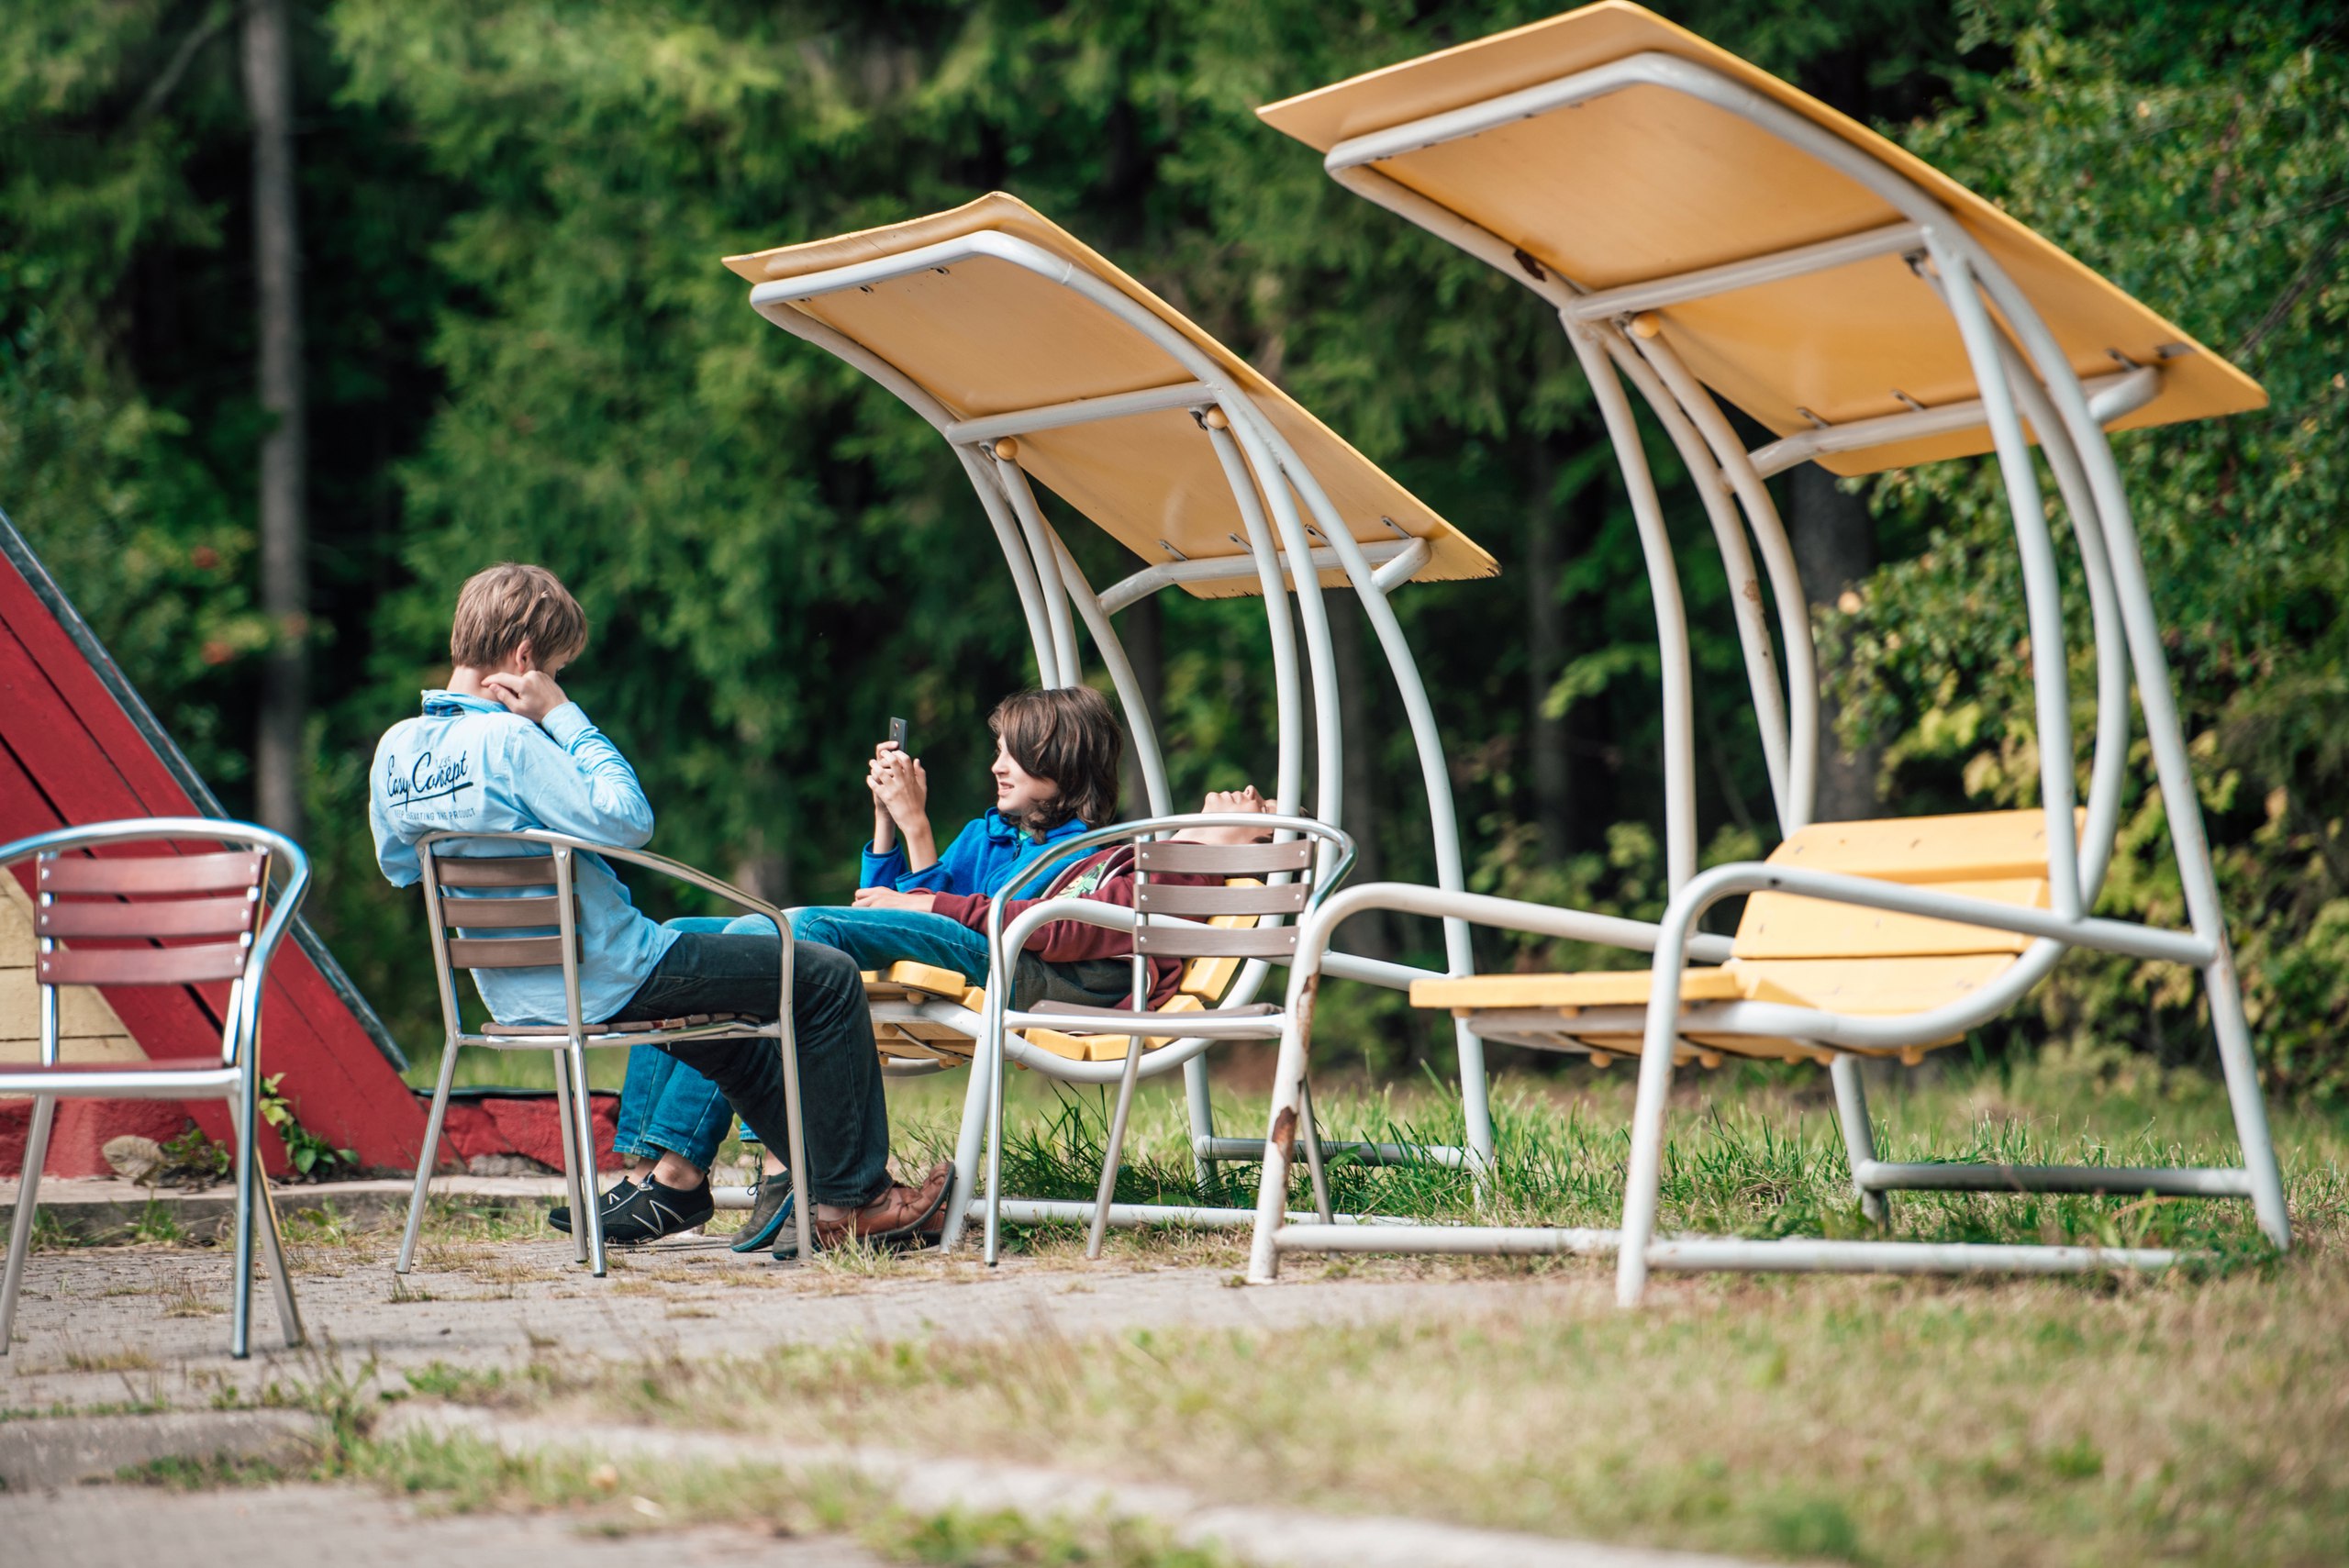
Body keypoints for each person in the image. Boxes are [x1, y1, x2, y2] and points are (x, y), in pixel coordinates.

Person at [368, 562, 950, 1257]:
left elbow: (402, 866)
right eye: (556, 668)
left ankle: (823, 1192)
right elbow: (628, 818)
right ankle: (860, 1200)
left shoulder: (395, 750)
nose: (557, 680)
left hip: (515, 996)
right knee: (824, 976)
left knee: (728, 1042)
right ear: (524, 659)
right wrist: (562, 715)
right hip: (612, 976)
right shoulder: (511, 741)